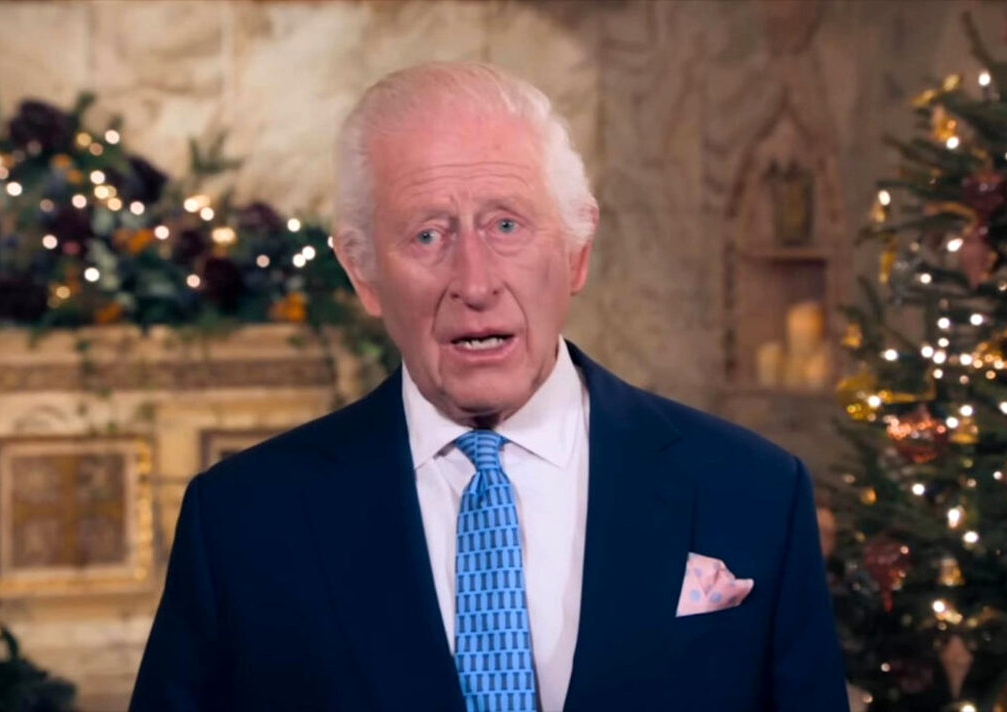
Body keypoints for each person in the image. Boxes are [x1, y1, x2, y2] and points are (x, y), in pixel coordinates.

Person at [131, 62, 849, 712]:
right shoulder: (243, 523)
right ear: (362, 271)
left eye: (506, 225)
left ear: (577, 252)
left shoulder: (753, 491)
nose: (474, 283)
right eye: (427, 235)